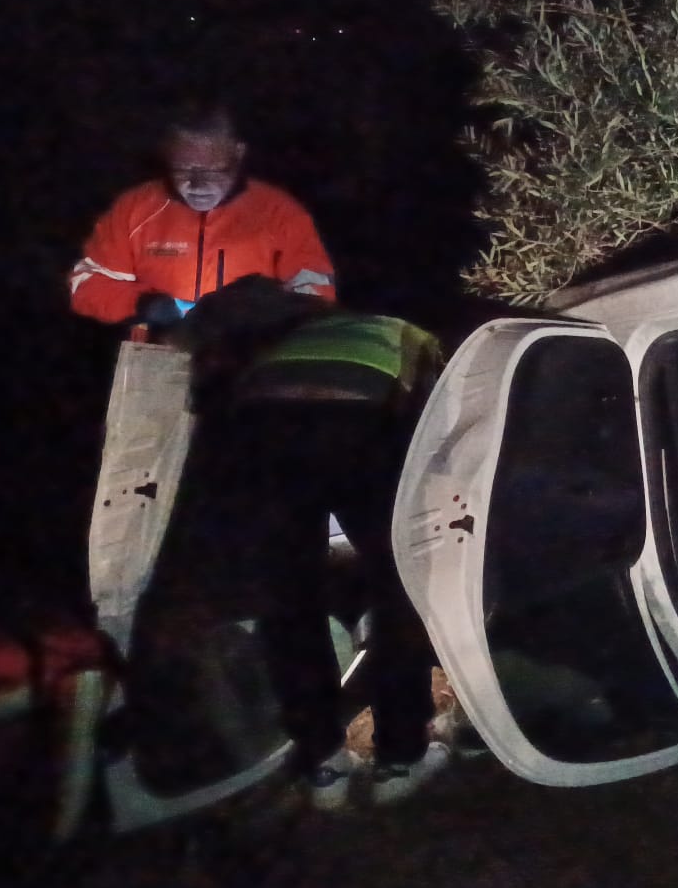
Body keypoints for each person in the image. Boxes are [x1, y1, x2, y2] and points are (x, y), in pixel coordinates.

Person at [136, 276, 449, 809]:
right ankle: (402, 757)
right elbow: (435, 425)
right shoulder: (409, 335)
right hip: (362, 426)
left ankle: (321, 762)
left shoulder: (278, 348)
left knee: (290, 599)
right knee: (398, 592)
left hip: (261, 428)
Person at [69, 100, 336, 334]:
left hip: (247, 360)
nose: (197, 185)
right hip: (160, 353)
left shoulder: (279, 213)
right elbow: (86, 285)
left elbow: (315, 295)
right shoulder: (135, 208)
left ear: (238, 154)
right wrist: (145, 305)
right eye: (183, 170)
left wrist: (259, 318)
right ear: (167, 156)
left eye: (212, 172)